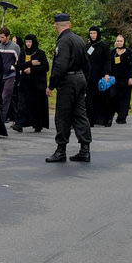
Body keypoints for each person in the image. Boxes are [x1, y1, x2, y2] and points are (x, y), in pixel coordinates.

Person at [46, 13, 91, 163]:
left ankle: (61, 150)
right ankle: (85, 149)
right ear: (69, 24)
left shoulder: (64, 41)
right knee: (80, 115)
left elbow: (60, 65)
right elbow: (87, 64)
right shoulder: (79, 39)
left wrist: (51, 85)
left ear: (56, 26)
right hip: (80, 78)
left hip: (68, 81)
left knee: (63, 115)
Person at [14, 34, 50, 132]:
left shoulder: (40, 53)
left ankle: (38, 124)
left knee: (36, 104)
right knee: (22, 103)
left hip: (37, 84)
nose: (28, 44)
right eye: (27, 42)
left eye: (30, 42)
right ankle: (19, 124)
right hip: (25, 82)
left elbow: (46, 67)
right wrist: (30, 63)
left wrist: (32, 70)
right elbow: (19, 66)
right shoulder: (23, 53)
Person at [84, 26, 112, 127]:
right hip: (90, 76)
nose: (93, 35)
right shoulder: (87, 46)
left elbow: (108, 60)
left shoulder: (104, 45)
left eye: (94, 33)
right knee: (90, 98)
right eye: (91, 33)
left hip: (101, 76)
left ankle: (106, 119)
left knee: (103, 98)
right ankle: (91, 119)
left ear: (98, 34)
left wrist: (107, 73)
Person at [108, 34, 132, 123]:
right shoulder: (112, 52)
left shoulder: (129, 52)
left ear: (124, 42)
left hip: (126, 80)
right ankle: (111, 115)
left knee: (125, 98)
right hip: (114, 79)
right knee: (113, 96)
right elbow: (108, 65)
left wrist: (131, 77)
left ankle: (122, 117)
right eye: (117, 41)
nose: (119, 42)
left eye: (121, 41)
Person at [0, 28, 21, 124]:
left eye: (2, 37)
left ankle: (2, 118)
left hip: (10, 75)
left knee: (5, 97)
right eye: (0, 37)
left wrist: (12, 67)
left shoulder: (15, 47)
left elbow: (19, 62)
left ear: (8, 36)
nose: (1, 39)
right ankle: (3, 117)